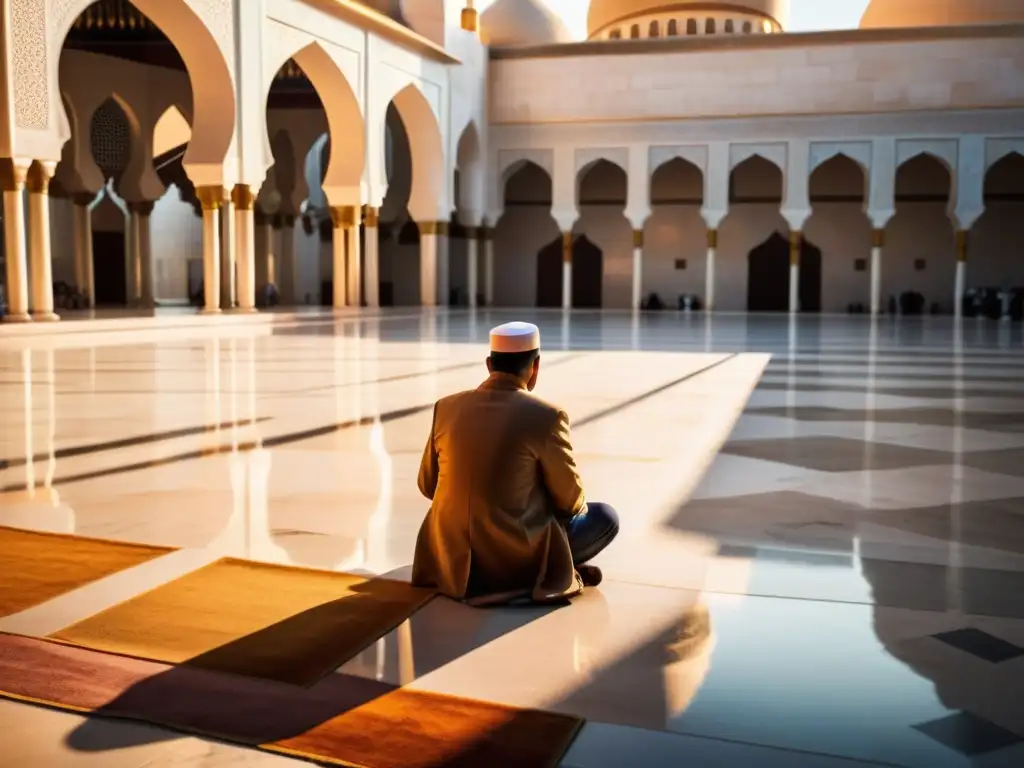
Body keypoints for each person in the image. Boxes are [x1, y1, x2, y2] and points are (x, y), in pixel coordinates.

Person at [411, 321, 619, 606]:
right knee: (605, 517)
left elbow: (427, 485)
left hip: (450, 556)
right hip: (511, 561)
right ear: (535, 366)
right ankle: (553, 569)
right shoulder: (547, 416)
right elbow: (570, 502)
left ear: (488, 364)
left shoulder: (445, 408)